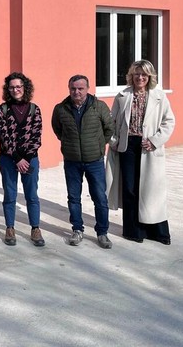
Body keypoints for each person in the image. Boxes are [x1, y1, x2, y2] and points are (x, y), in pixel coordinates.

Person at [106, 60, 175, 245]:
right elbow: (111, 122)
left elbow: (169, 122)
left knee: (151, 190)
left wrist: (154, 141)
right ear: (131, 76)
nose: (140, 77)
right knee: (130, 188)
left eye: (144, 74)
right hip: (127, 146)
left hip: (149, 147)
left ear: (150, 76)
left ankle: (158, 232)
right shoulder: (122, 96)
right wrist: (113, 141)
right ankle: (133, 231)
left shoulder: (159, 96)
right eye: (137, 74)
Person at [51, 75, 114, 249]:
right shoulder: (61, 109)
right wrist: (69, 144)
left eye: (80, 88)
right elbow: (57, 129)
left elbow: (109, 128)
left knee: (100, 198)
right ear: (69, 88)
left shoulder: (99, 107)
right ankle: (77, 229)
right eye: (73, 88)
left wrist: (99, 145)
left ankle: (102, 232)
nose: (76, 92)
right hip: (72, 161)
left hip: (94, 161)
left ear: (87, 89)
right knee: (73, 197)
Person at [0, 72, 45, 248]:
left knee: (32, 195)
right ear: (7, 89)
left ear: (25, 88)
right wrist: (17, 159)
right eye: (11, 87)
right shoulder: (2, 109)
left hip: (30, 159)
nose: (15, 90)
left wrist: (26, 159)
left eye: (18, 86)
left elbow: (37, 136)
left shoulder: (34, 109)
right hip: (8, 159)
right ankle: (10, 228)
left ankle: (35, 228)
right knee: (10, 194)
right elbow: (3, 136)